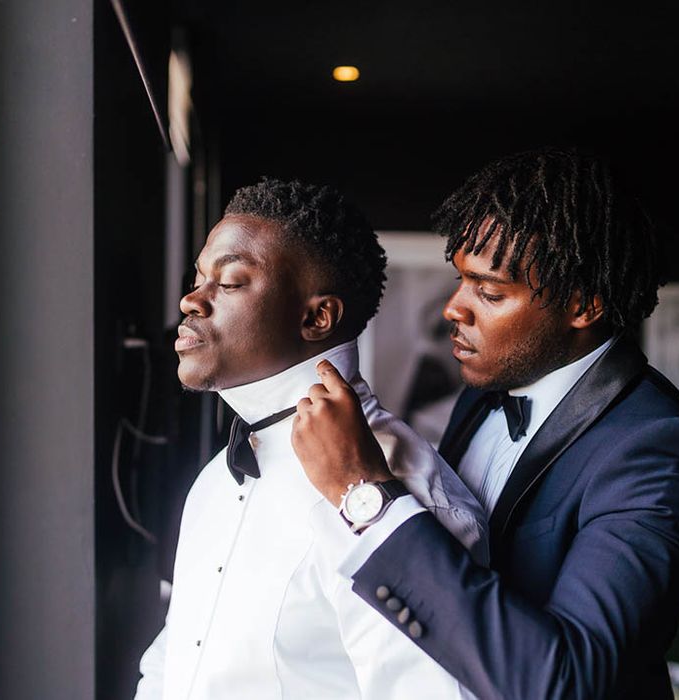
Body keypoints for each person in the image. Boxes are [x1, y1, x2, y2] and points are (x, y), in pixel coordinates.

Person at [291, 148, 679, 700]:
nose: (453, 308)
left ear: (583, 305)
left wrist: (365, 492)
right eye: (461, 281)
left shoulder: (654, 450)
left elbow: (564, 680)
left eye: (490, 292)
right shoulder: (484, 394)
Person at [134, 177, 487, 700]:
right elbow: (177, 657)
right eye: (198, 277)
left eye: (228, 282)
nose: (192, 300)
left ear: (317, 317)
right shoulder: (215, 478)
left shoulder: (404, 489)